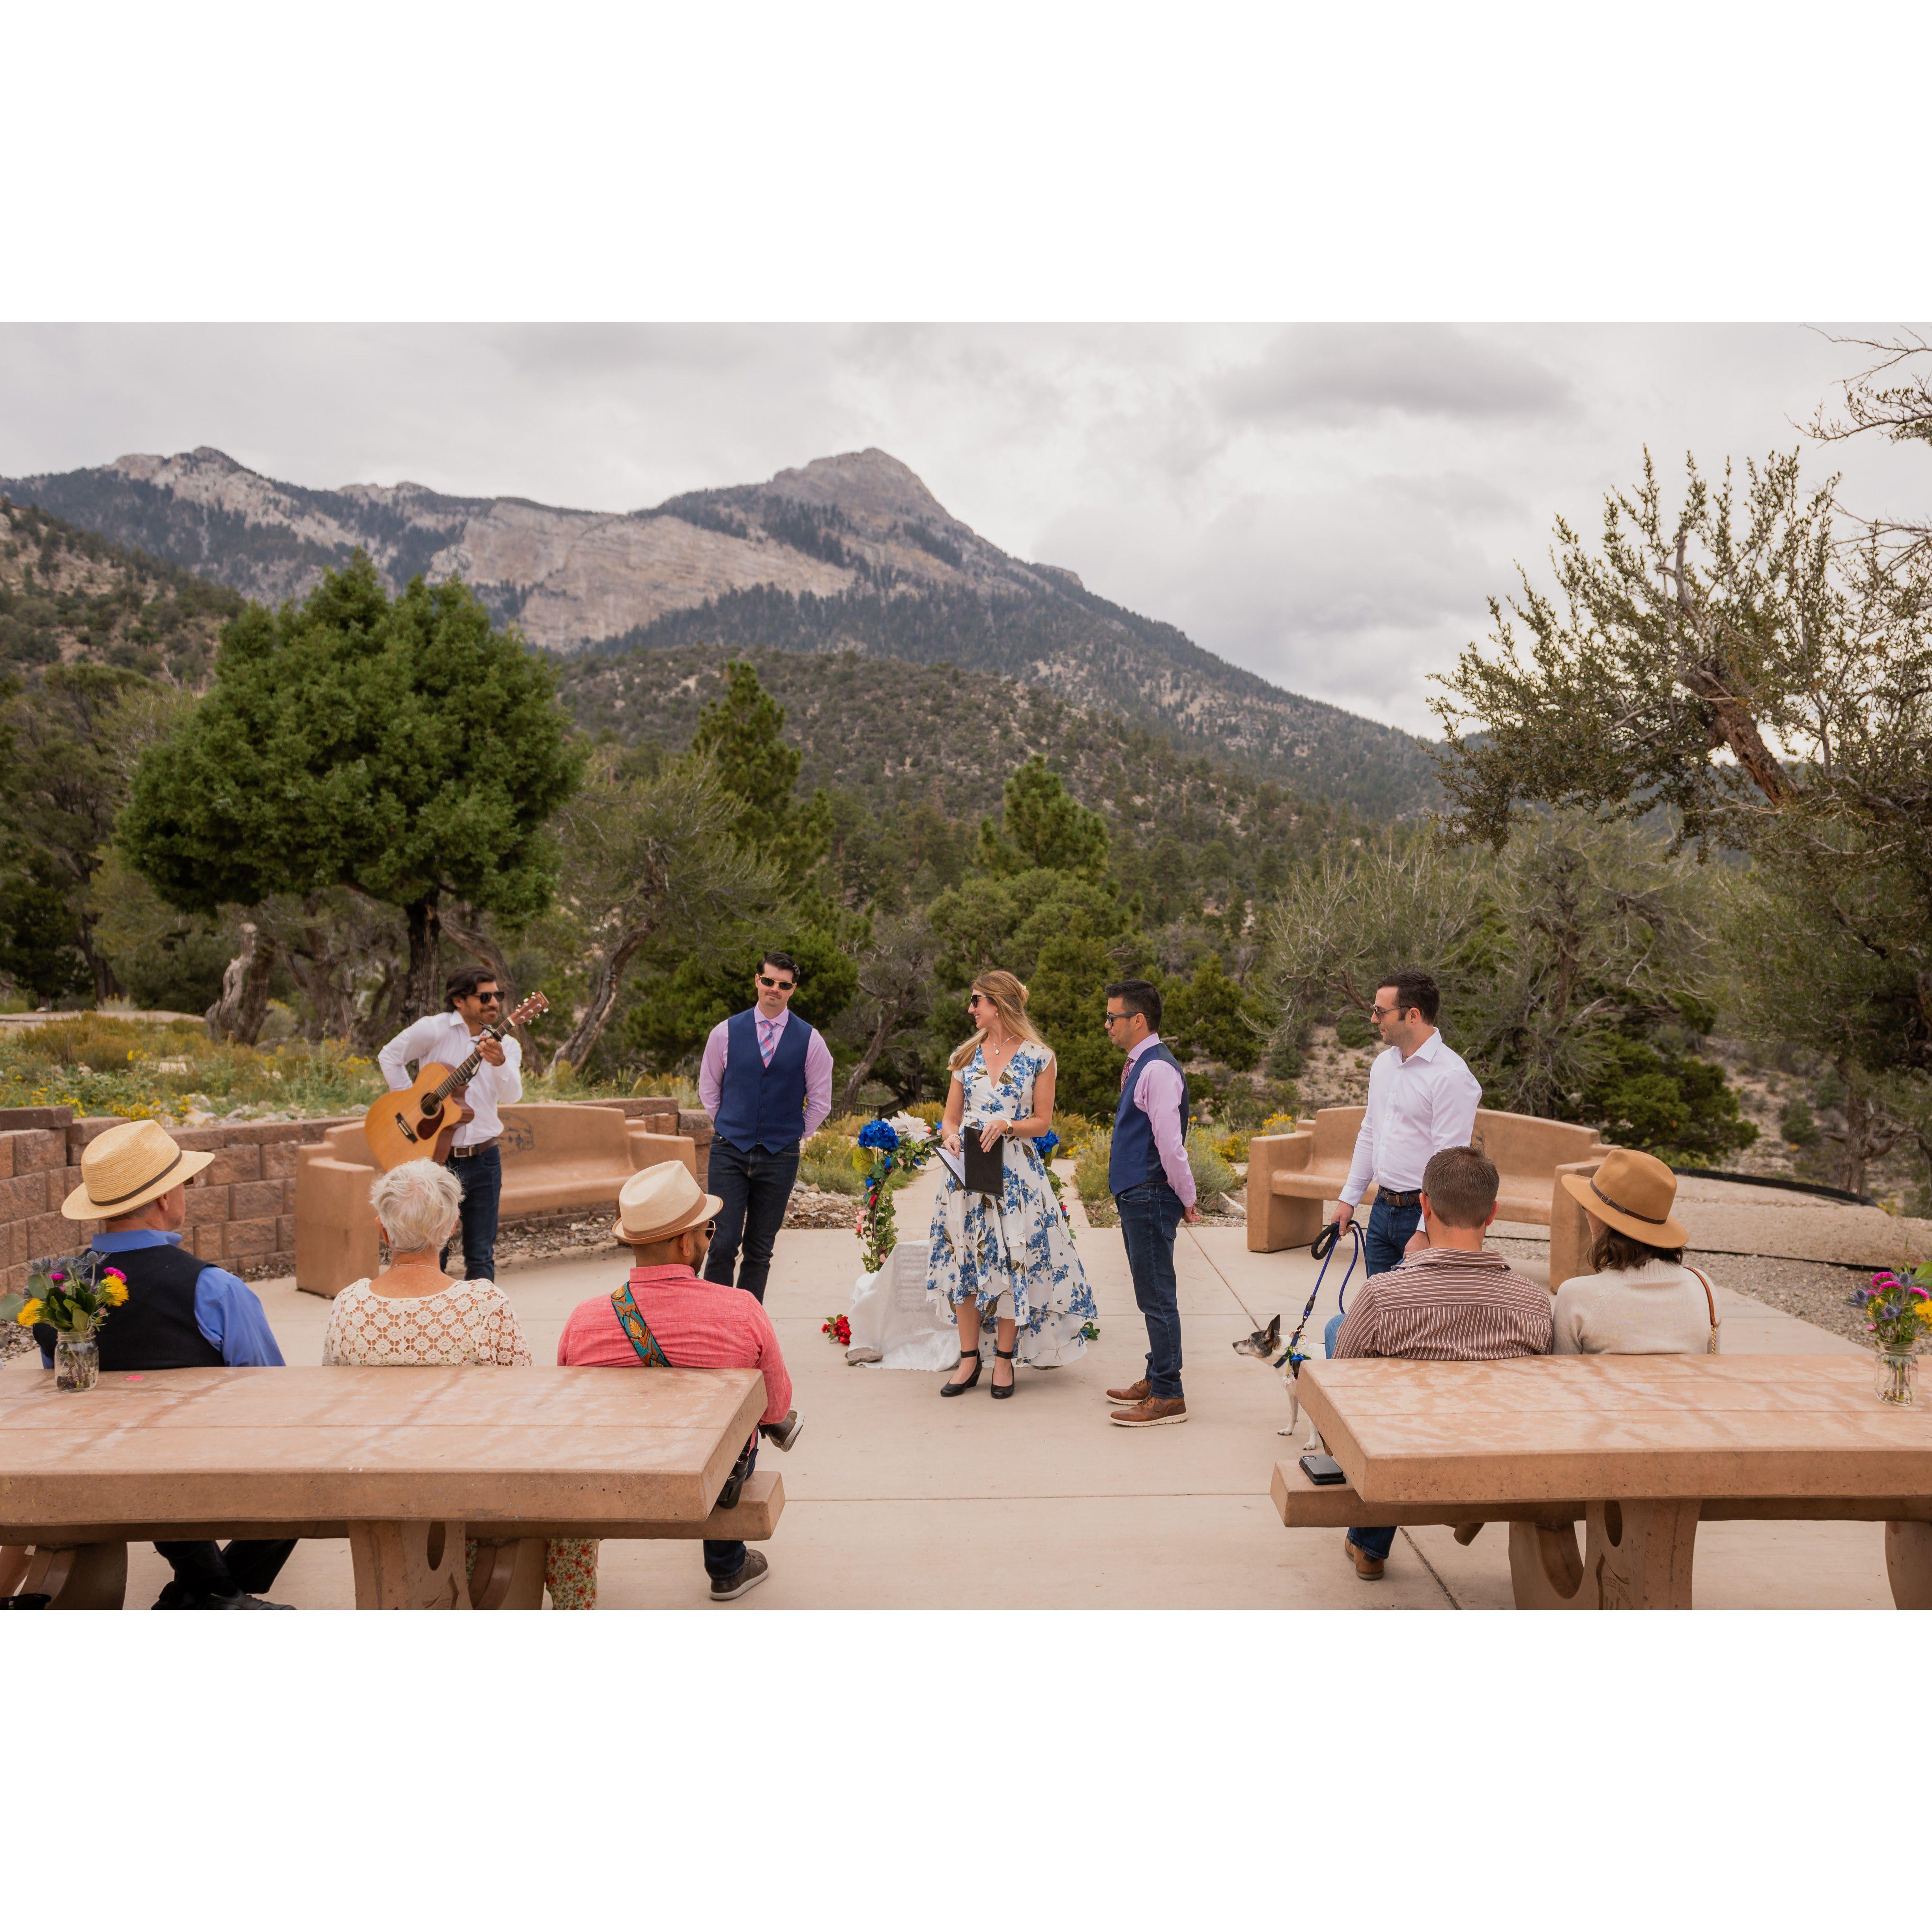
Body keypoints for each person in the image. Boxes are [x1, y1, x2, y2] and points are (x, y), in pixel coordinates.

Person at [41, 1118, 294, 1609]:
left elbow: (59, 1387)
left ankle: (205, 1589)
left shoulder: (56, 1294)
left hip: (90, 1468)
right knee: (310, 1450)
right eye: (183, 1183)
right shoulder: (214, 1289)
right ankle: (214, 1594)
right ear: (163, 1199)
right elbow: (273, 1393)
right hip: (207, 1471)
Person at [320, 1159, 597, 1608]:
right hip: (471, 1489)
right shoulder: (483, 1303)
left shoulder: (350, 1306)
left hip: (378, 1487)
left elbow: (334, 1397)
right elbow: (527, 1403)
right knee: (574, 1490)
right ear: (451, 1227)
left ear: (383, 1231)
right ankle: (575, 1610)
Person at [556, 1161, 794, 1604]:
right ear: (686, 1243)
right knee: (736, 1437)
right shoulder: (741, 1310)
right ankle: (727, 1567)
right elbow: (777, 1408)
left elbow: (571, 1407)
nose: (710, 1239)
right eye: (708, 1231)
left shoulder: (583, 1320)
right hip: (710, 1476)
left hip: (612, 1473)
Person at [1327, 1144, 1552, 1580]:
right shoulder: (1534, 1303)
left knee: (1340, 1330)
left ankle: (1369, 1544)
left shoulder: (1381, 1296)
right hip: (1494, 1448)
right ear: (1492, 1213)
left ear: (1424, 1205)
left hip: (1406, 1445)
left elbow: (1339, 1396)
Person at [930, 970, 1097, 1398]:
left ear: (999, 1003)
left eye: (977, 1001)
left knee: (1010, 1262)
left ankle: (1003, 1360)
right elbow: (950, 1116)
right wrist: (950, 1134)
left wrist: (1008, 1123)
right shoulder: (964, 1056)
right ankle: (969, 1358)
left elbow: (1042, 1122)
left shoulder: (1041, 1056)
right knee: (964, 1261)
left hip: (1014, 1175)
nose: (970, 1009)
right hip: (966, 1176)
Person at [697, 950, 833, 1303]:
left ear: (793, 990)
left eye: (783, 985)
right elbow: (709, 1088)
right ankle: (714, 1324)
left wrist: (792, 1133)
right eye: (769, 981)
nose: (775, 989)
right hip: (729, 1151)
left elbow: (820, 1101)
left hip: (780, 1155)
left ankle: (747, 1328)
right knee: (722, 1243)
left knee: (760, 1247)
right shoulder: (725, 1033)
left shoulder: (811, 1040)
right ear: (757, 981)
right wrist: (730, 1123)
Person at [1333, 966, 1482, 1278]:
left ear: (1413, 1015)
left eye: (1380, 1011)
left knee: (1420, 1322)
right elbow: (1370, 1133)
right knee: (1380, 1316)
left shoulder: (1452, 1077)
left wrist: (1425, 1231)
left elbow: (1449, 1165)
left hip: (1424, 1215)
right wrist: (1348, 1200)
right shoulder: (1383, 1065)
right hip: (1381, 1209)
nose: (1374, 1019)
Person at [377, 966, 521, 1283]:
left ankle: (482, 1325)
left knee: (481, 1253)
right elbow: (389, 1056)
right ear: (459, 1000)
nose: (494, 1003)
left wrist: (500, 1064)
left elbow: (512, 1096)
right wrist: (413, 1106)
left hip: (484, 1159)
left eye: (497, 995)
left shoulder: (506, 1047)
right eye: (484, 996)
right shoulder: (433, 1030)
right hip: (432, 1161)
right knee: (431, 1253)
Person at [1101, 977, 1198, 1428]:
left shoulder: (1156, 1069)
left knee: (1157, 1295)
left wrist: (1187, 1195)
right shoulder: (1142, 1064)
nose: (1107, 1024)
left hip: (1150, 1192)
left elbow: (1168, 1142)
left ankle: (1167, 1394)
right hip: (1139, 1193)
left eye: (1112, 1017)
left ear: (1137, 1020)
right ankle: (1155, 1372)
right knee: (1151, 1292)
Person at [1553, 1148, 1719, 1355]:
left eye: (1586, 1206)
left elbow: (1561, 1377)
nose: (1586, 1213)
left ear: (1604, 1220)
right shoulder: (1703, 1287)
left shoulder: (1577, 1295)